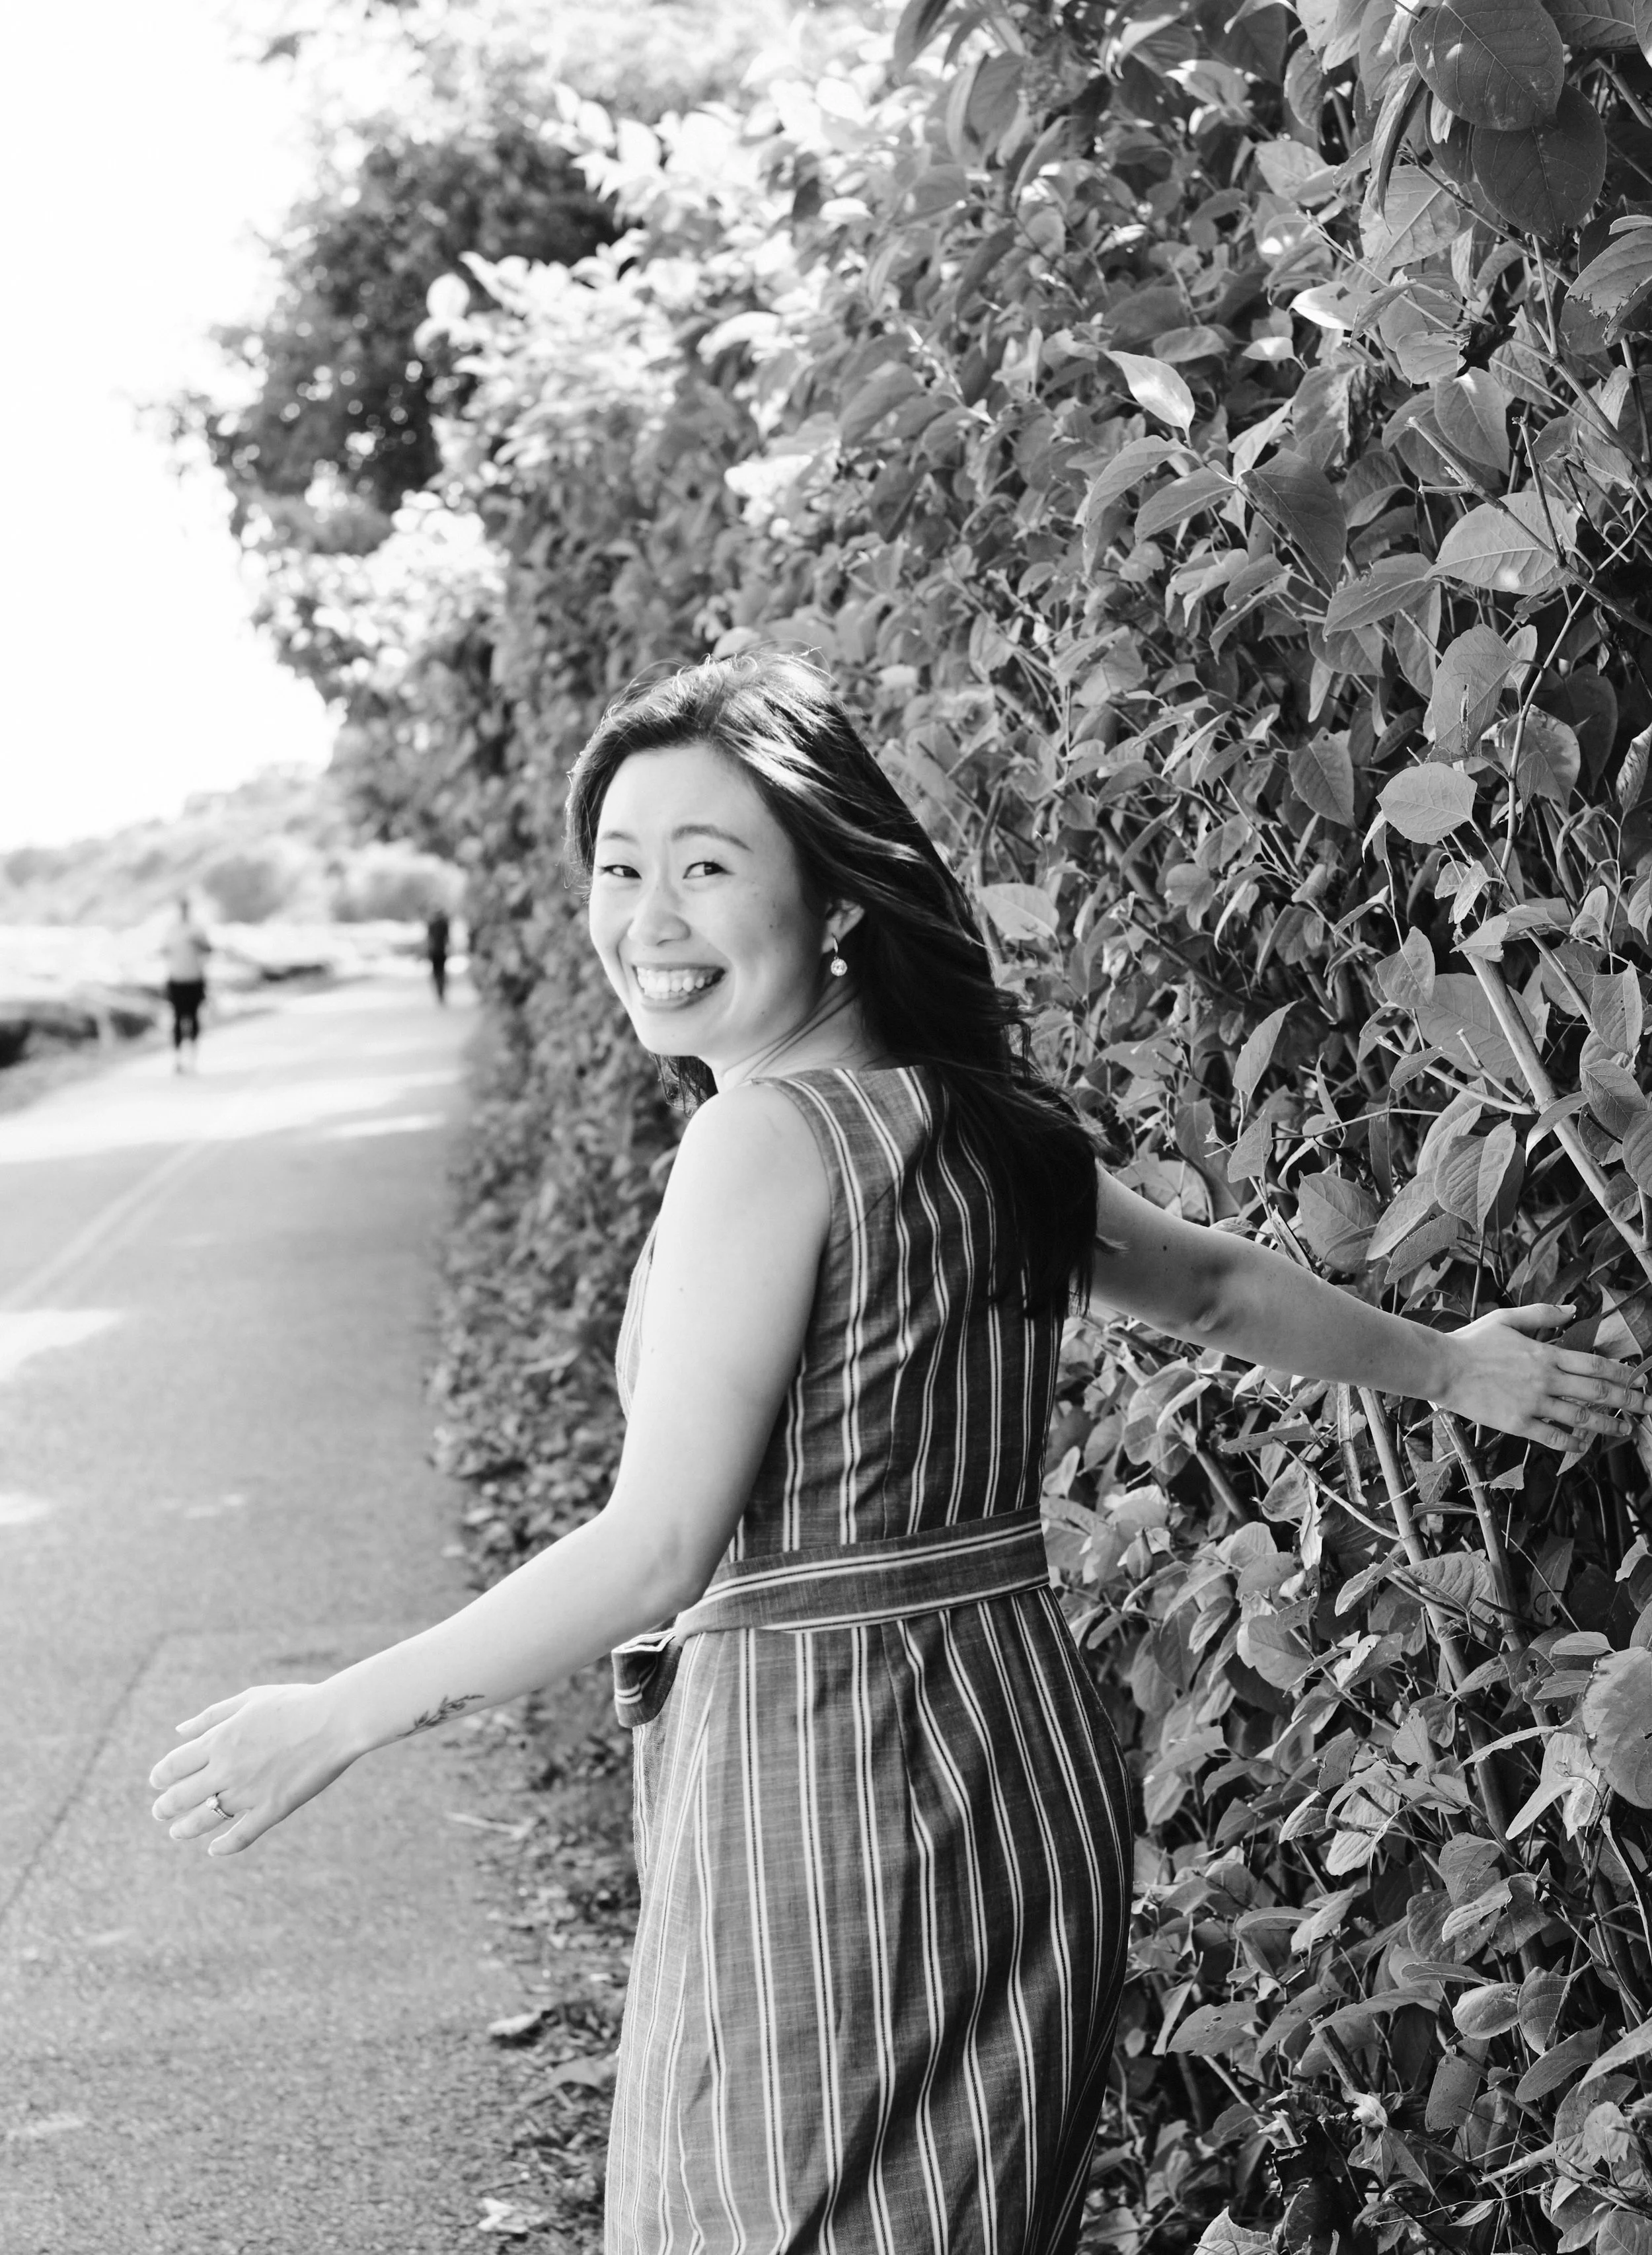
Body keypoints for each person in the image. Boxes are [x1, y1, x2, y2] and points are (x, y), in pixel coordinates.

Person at [149, 653, 1647, 2254]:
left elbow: (657, 1546)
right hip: (1011, 1761)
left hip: (831, 1778)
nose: (648, 919)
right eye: (620, 867)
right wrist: (1447, 1366)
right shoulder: (979, 1119)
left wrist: (340, 1712)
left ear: (836, 895)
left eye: (707, 868)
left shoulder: (763, 1139)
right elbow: (1206, 1280)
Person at [162, 895, 212, 1072]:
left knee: (194, 1018)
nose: (183, 910)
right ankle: (178, 1059)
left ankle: (193, 1058)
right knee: (177, 1019)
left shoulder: (197, 929)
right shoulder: (171, 930)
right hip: (176, 979)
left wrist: (198, 944)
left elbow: (210, 949)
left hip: (195, 979)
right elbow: (164, 952)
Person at [424, 907, 451, 1003]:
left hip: (436, 952)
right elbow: (448, 939)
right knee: (440, 973)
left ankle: (440, 993)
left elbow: (429, 939)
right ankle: (441, 993)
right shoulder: (443, 924)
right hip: (440, 952)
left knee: (437, 974)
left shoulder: (434, 924)